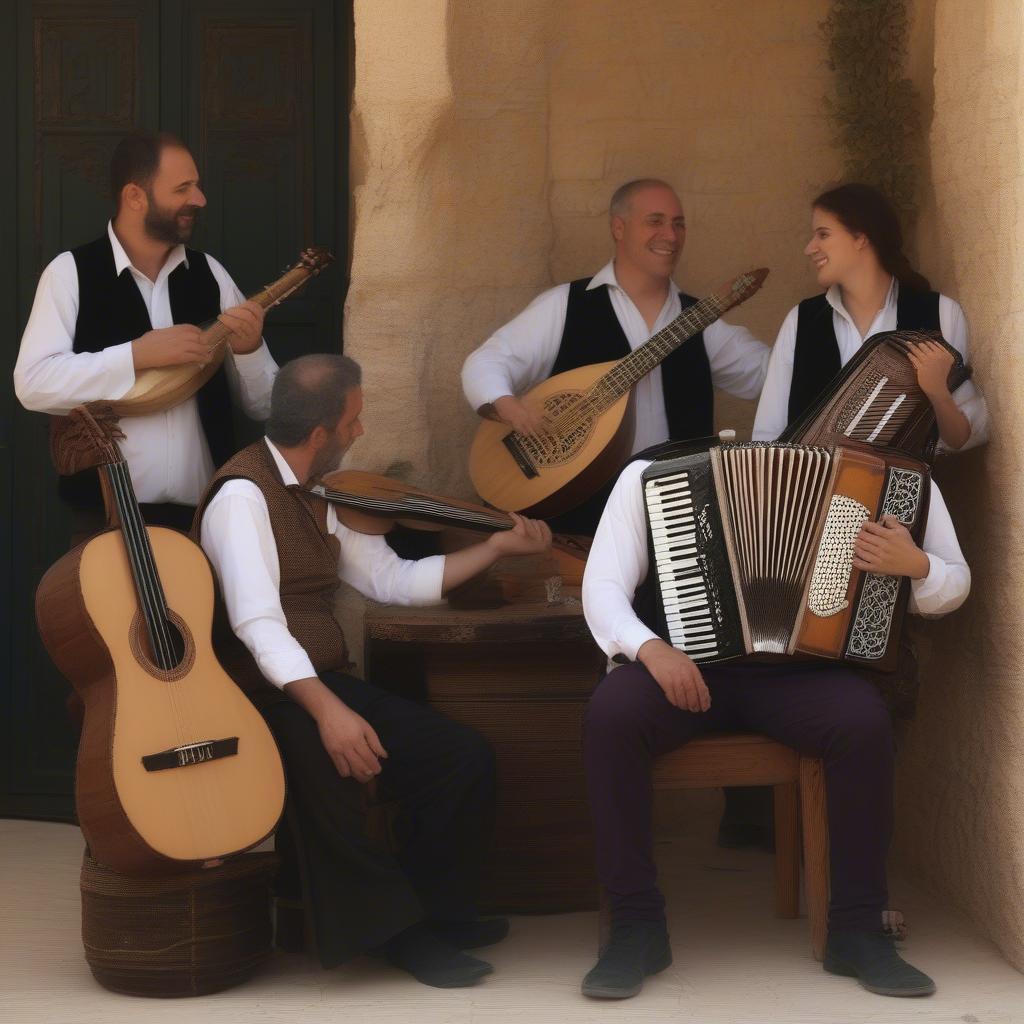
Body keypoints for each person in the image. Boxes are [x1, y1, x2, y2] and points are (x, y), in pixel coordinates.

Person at [194, 353, 552, 988]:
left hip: (319, 680)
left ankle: (440, 912)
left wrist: (494, 546)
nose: (360, 433)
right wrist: (329, 712)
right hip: (257, 692)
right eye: (353, 421)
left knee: (458, 754)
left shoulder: (320, 493)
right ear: (320, 433)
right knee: (328, 777)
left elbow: (393, 580)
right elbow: (256, 625)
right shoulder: (242, 496)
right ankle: (398, 935)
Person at [578, 455, 970, 1000]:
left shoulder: (899, 481)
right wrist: (650, 649)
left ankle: (856, 932)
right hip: (685, 668)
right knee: (611, 714)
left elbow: (956, 582)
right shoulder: (645, 474)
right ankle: (635, 928)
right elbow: (601, 586)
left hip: (798, 674)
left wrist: (919, 566)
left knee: (862, 722)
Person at [462, 178, 770, 536]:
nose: (670, 235)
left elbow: (774, 375)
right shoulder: (566, 305)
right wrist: (509, 407)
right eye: (655, 221)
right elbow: (487, 362)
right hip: (578, 524)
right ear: (618, 227)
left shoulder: (701, 321)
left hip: (675, 522)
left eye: (678, 223)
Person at [14, 129, 278, 533]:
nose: (200, 199)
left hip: (203, 522)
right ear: (135, 197)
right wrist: (136, 355)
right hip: (106, 520)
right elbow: (33, 385)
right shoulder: (70, 273)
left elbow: (265, 407)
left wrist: (250, 350)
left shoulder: (211, 275)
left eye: (198, 186)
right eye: (183, 188)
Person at [753, 183, 988, 450]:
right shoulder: (801, 321)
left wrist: (937, 392)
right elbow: (768, 435)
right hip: (813, 490)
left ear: (860, 237)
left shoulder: (940, 313)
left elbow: (961, 438)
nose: (810, 248)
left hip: (904, 490)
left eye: (823, 234)